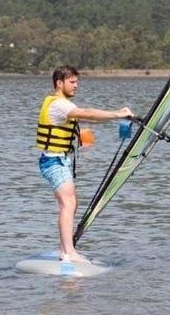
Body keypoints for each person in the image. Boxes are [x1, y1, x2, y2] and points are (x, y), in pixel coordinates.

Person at [36, 65, 133, 263]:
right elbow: (87, 112)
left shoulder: (60, 103)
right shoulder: (59, 105)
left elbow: (90, 118)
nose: (76, 85)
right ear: (59, 83)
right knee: (68, 204)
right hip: (54, 161)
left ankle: (65, 249)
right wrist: (117, 114)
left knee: (70, 204)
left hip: (58, 161)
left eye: (77, 82)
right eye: (72, 82)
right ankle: (68, 252)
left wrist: (116, 116)